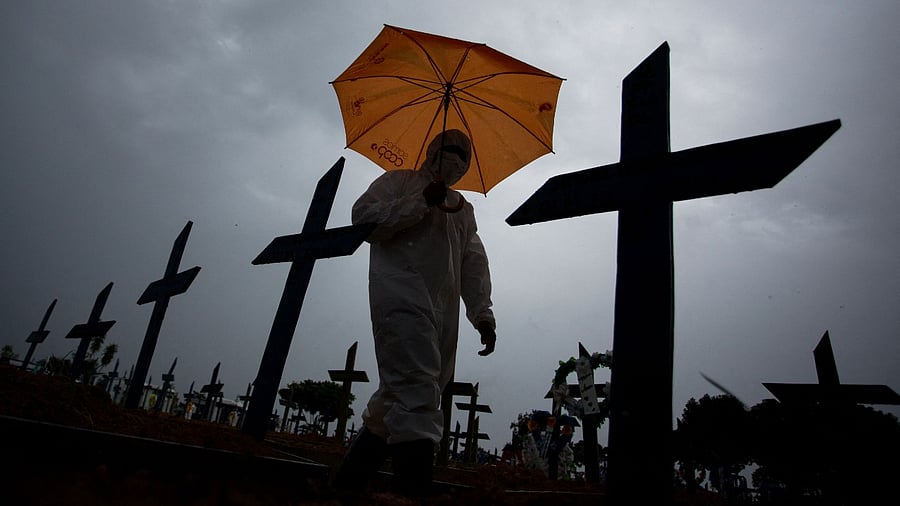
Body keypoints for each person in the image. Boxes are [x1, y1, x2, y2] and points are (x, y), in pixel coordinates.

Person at [332, 129, 497, 497]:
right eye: (449, 150)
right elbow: (365, 221)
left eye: (463, 155)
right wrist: (420, 201)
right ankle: (413, 493)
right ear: (432, 151)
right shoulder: (397, 183)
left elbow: (474, 264)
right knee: (418, 389)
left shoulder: (463, 209)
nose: (456, 159)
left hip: (444, 311)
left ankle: (346, 486)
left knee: (398, 397)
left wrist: (482, 313)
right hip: (400, 296)